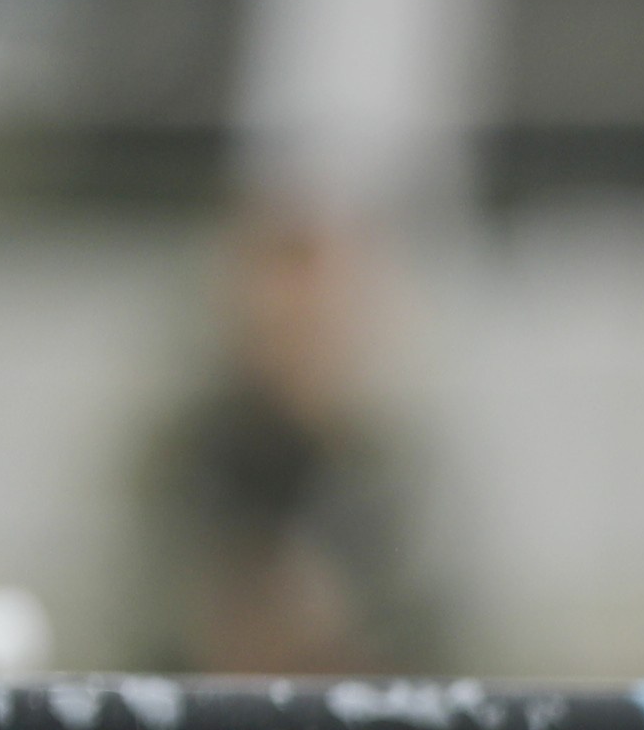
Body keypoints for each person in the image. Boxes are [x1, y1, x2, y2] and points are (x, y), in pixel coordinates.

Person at [107, 203, 458, 678]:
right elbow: (147, 620)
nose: (295, 321)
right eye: (277, 304)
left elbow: (437, 639)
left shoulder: (397, 471)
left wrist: (334, 634)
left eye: (318, 312)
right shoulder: (182, 460)